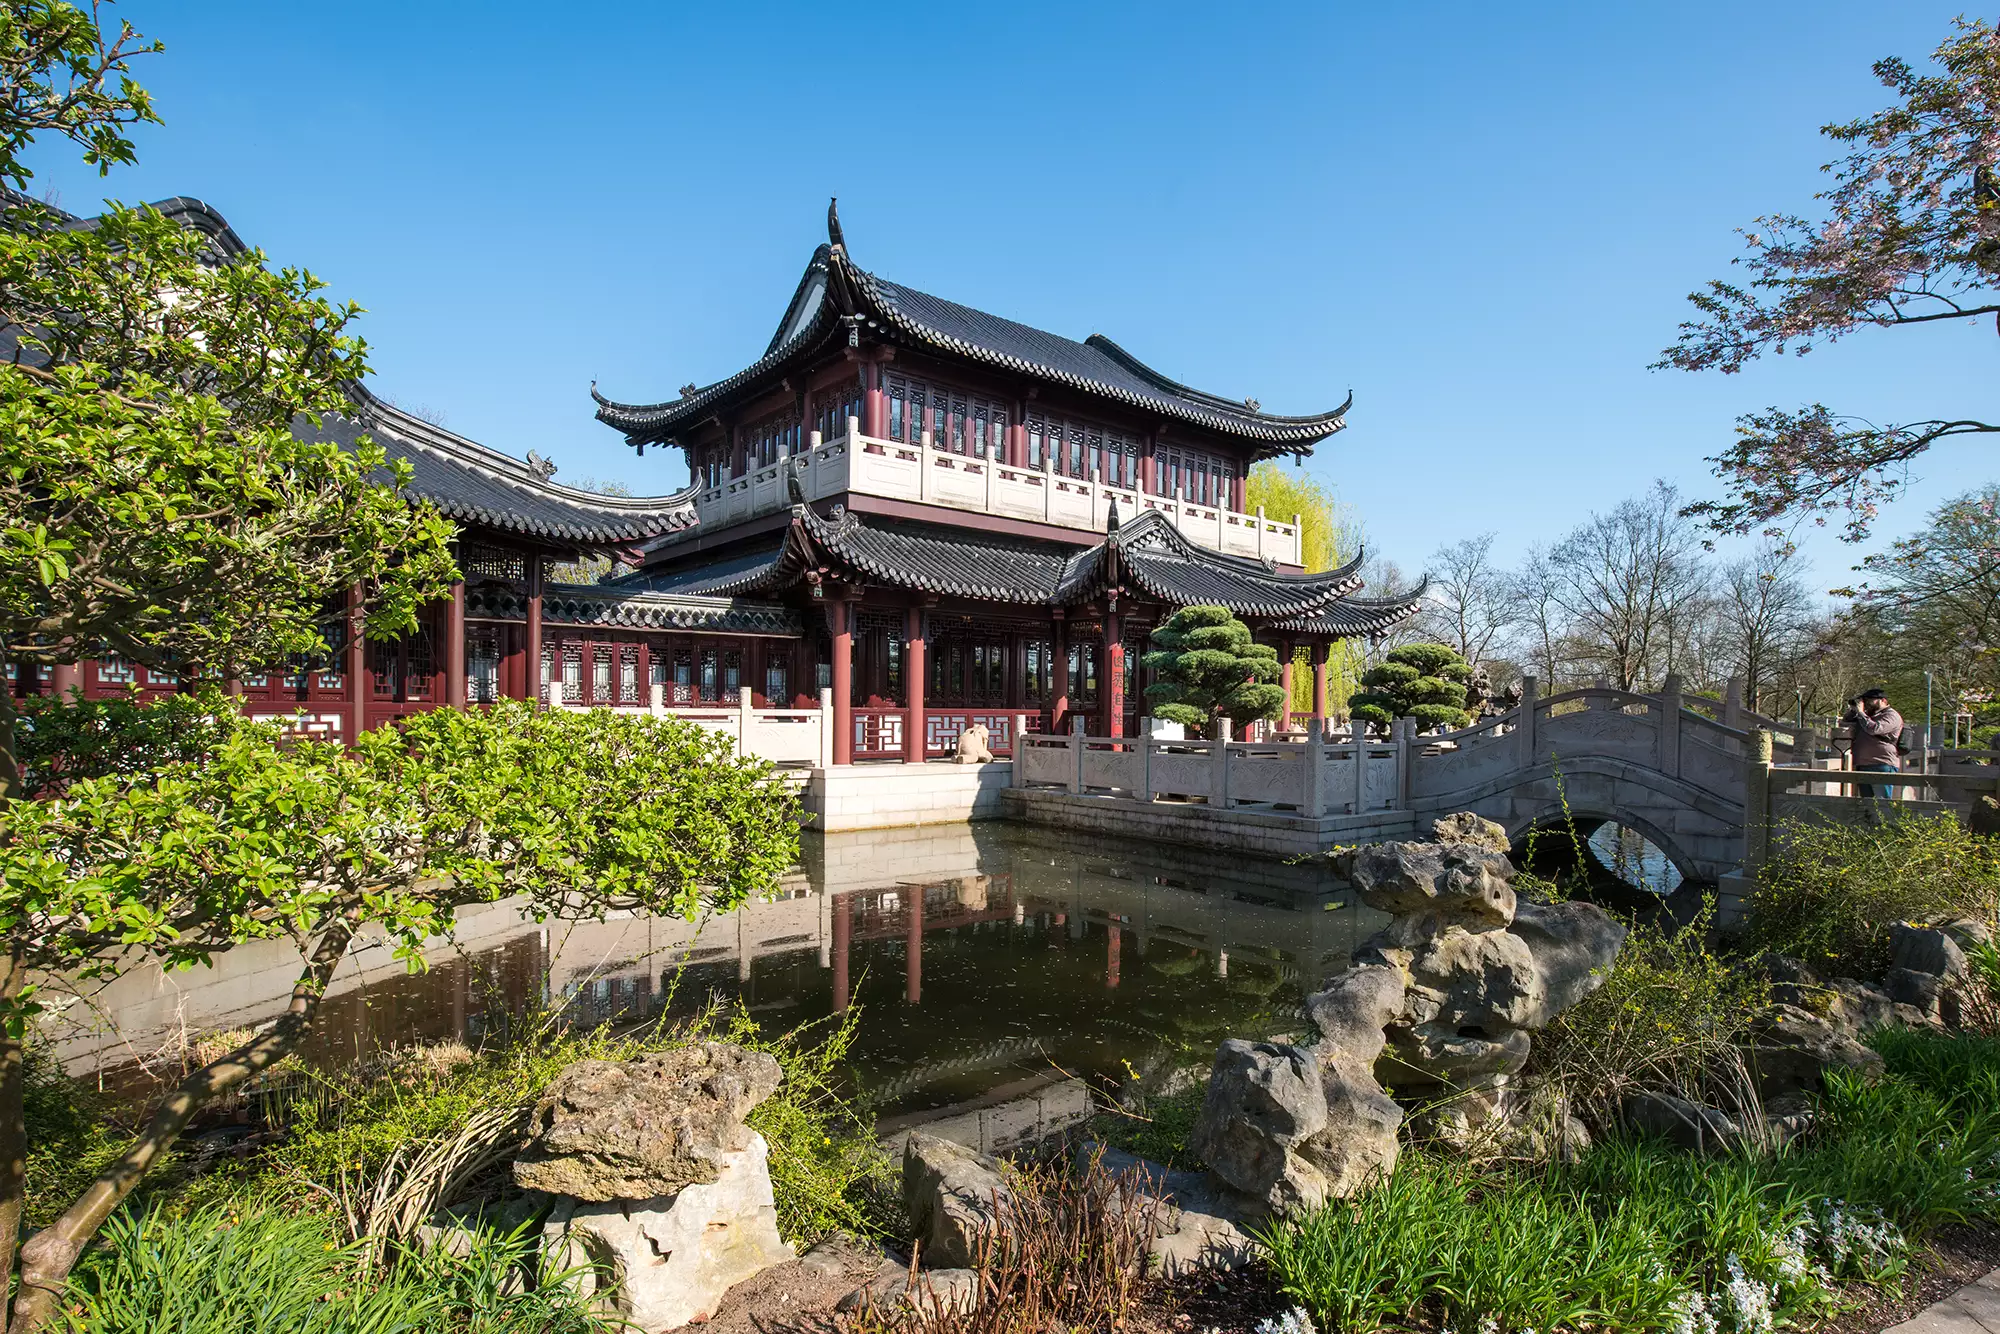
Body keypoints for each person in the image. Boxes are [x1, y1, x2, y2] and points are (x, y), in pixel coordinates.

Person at [1843, 687, 1905, 798]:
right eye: (1865, 700)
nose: (1867, 703)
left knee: (1882, 803)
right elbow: (1846, 721)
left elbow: (1874, 729)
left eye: (1871, 699)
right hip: (1863, 764)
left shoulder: (1891, 716)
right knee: (1867, 804)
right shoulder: (1867, 715)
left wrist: (1861, 713)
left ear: (1883, 701)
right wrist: (1854, 710)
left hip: (1882, 764)